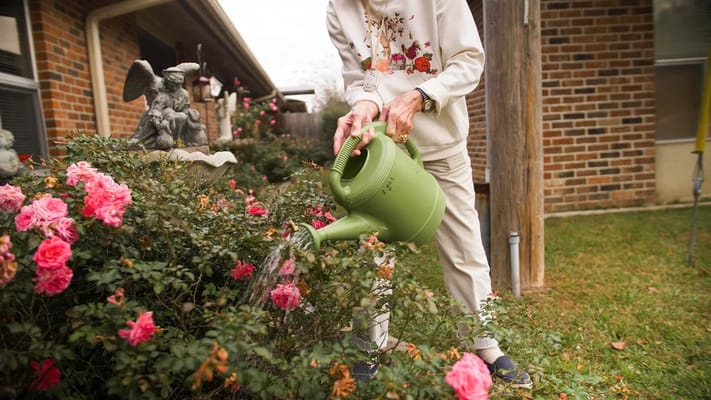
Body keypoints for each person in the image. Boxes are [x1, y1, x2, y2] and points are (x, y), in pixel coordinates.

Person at [326, 0, 532, 388]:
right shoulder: (339, 7)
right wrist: (363, 108)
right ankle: (369, 346)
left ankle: (485, 346)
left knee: (463, 246)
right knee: (372, 248)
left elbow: (469, 60)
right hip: (382, 149)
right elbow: (361, 77)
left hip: (442, 143)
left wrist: (417, 96)